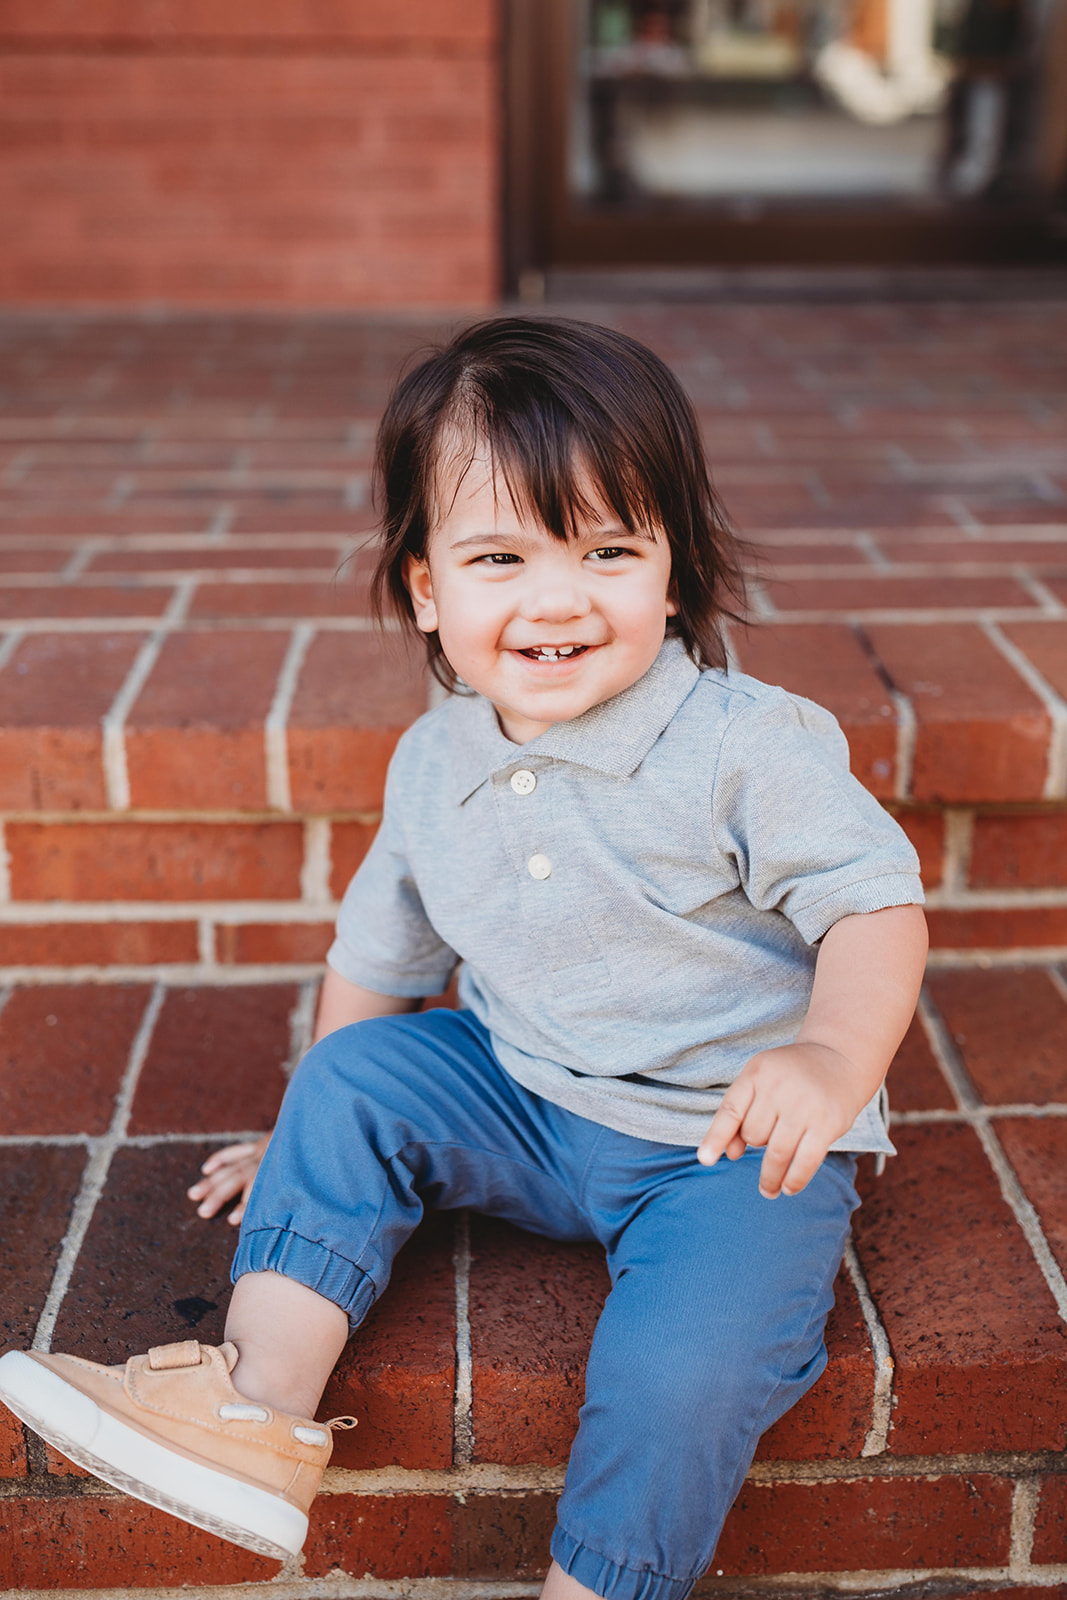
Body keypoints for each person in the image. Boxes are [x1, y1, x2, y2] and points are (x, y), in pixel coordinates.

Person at [0, 318, 928, 1589]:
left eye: (607, 550)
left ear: (673, 571)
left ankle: (598, 1576)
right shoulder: (435, 757)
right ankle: (253, 1410)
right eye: (500, 556)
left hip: (724, 1142)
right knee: (351, 1075)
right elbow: (380, 948)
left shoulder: (742, 745)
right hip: (523, 1091)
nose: (557, 598)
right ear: (426, 587)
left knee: (685, 1366)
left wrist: (829, 1053)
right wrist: (305, 1145)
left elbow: (872, 905)